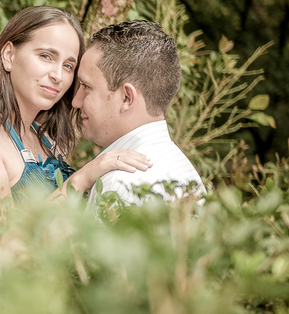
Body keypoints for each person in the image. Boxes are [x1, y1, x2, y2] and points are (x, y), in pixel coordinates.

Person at [0, 6, 152, 211]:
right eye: (46, 56)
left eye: (68, 66)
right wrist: (83, 178)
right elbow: (0, 241)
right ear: (9, 55)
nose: (58, 76)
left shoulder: (45, 139)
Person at [72, 20, 206, 205]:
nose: (75, 101)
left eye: (86, 86)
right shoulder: (186, 173)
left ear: (127, 97)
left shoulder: (118, 185)